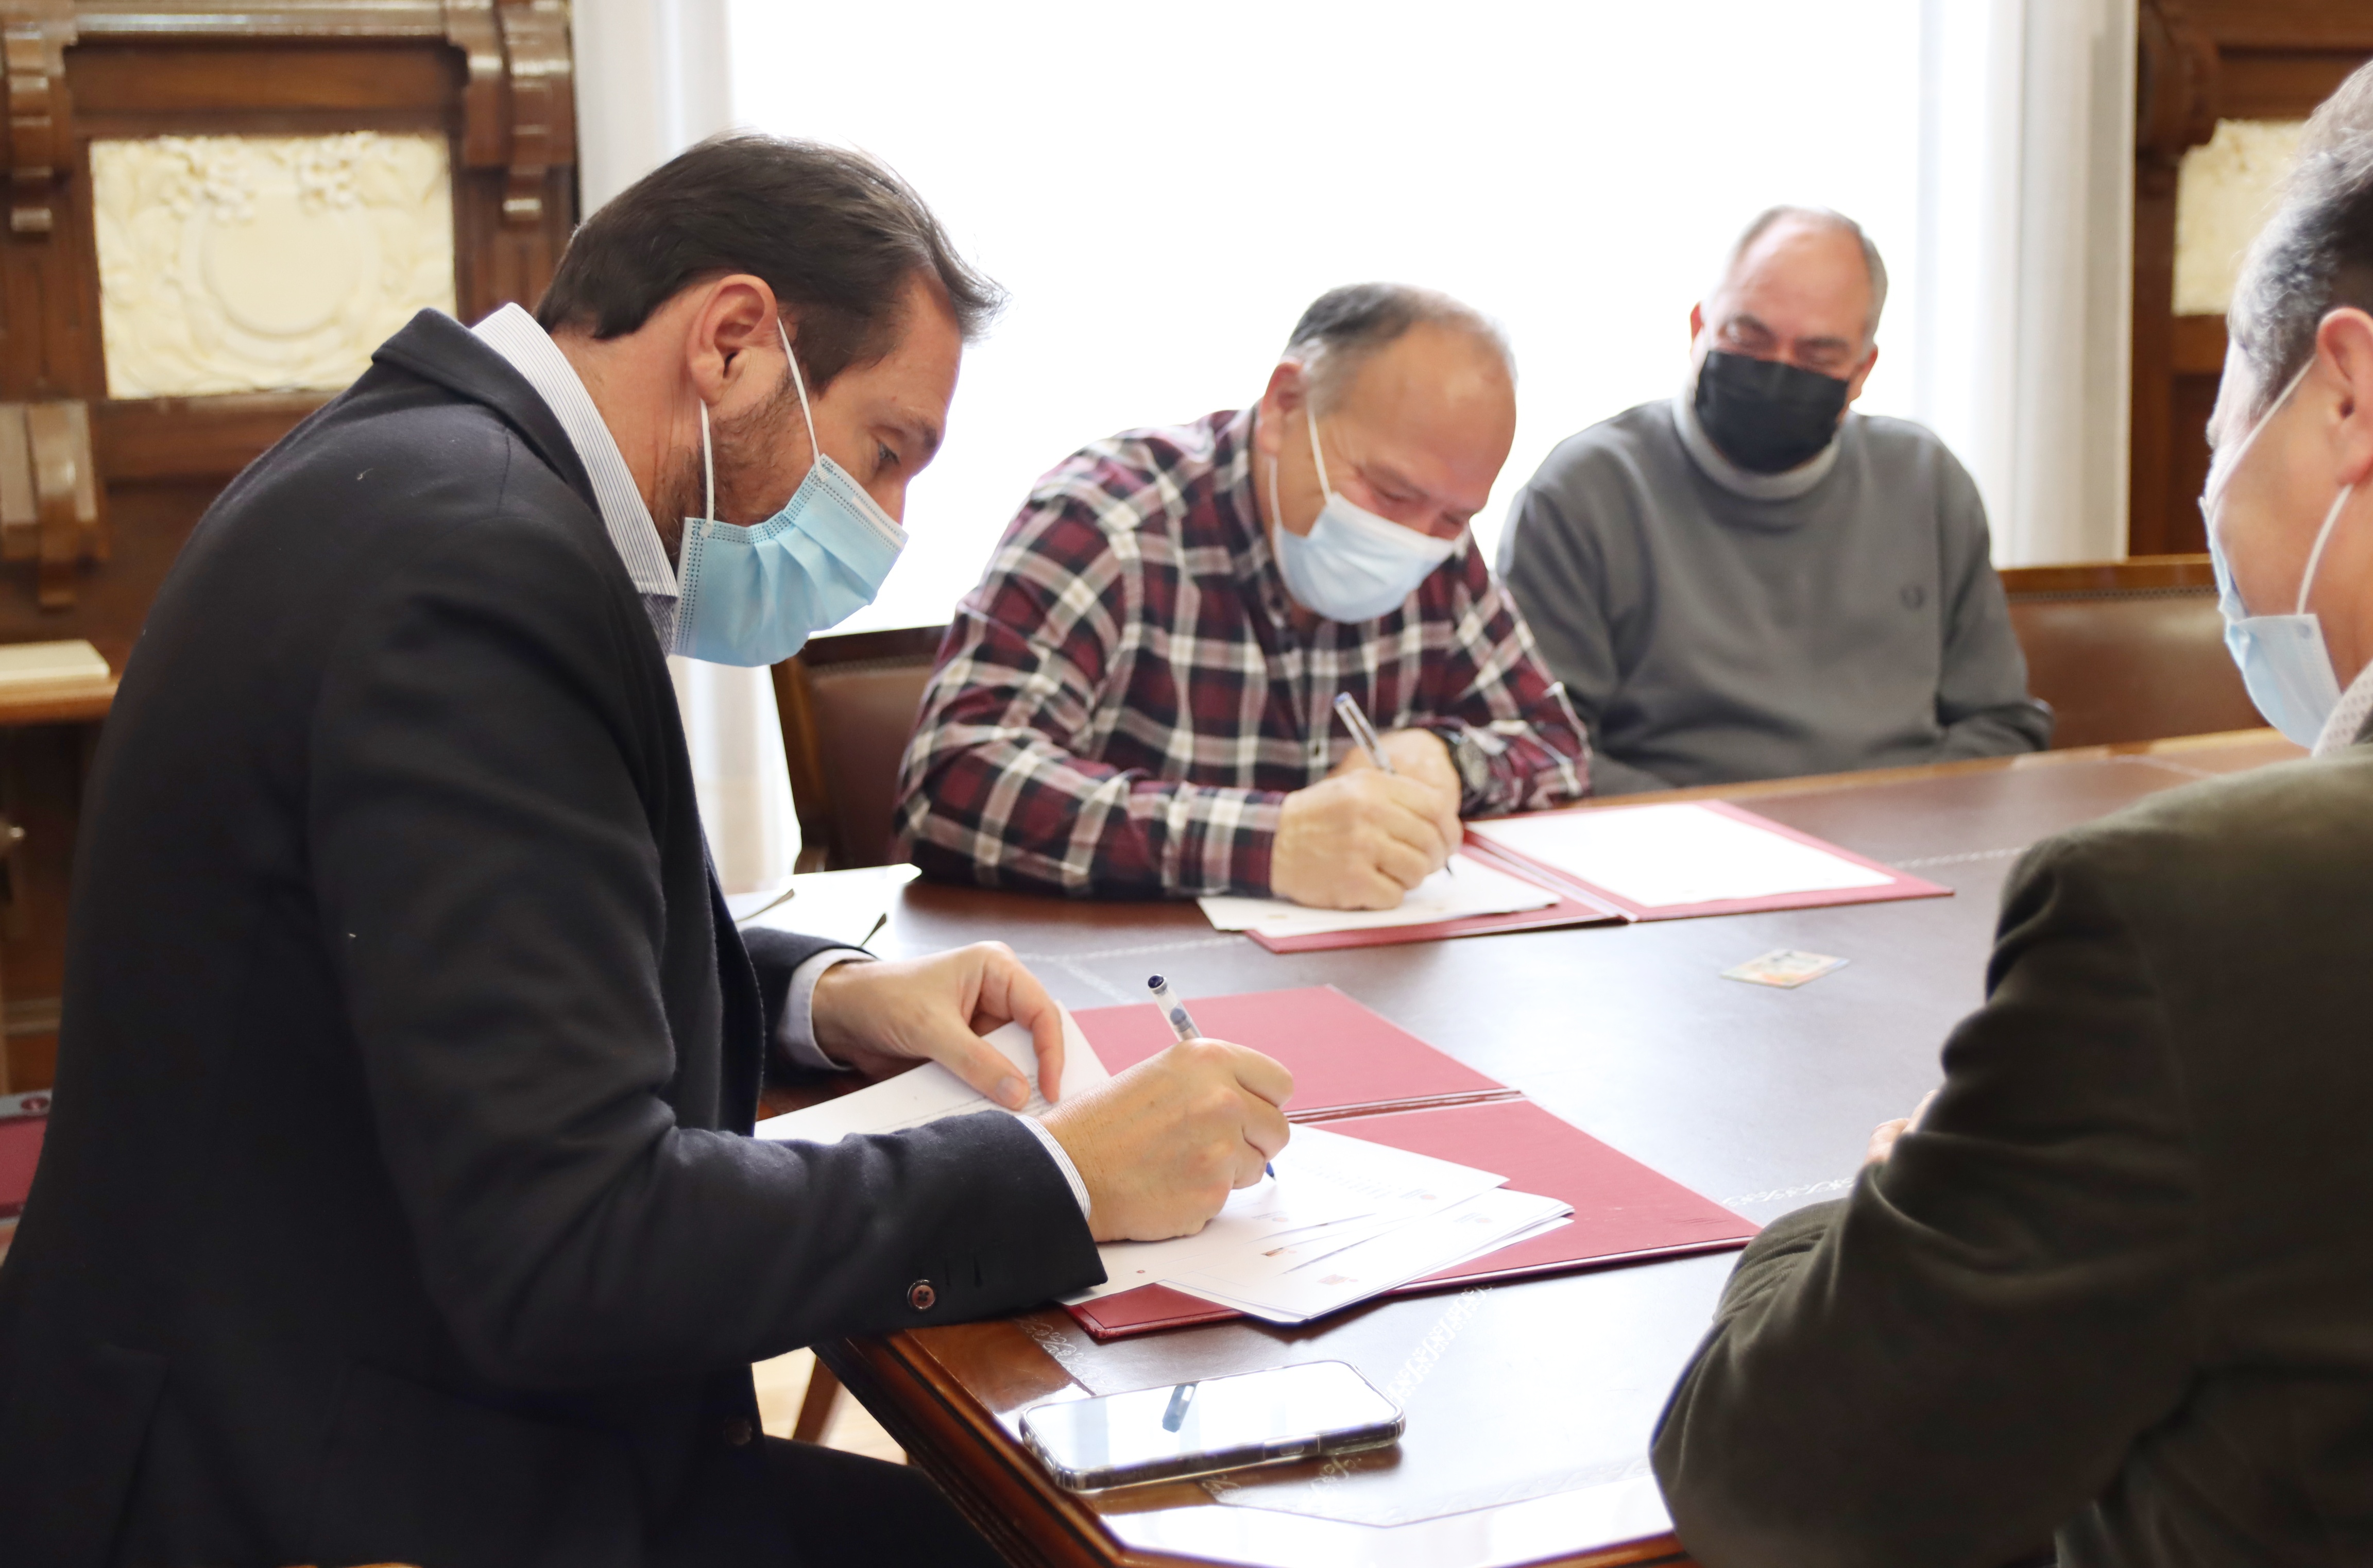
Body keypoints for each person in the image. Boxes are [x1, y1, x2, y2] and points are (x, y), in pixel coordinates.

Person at [0, 134, 1294, 1568]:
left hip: (301, 1397)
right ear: (731, 341)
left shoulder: (417, 469)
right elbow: (580, 1243)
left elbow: (462, 949)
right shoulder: (483, 564)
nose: (886, 524)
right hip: (322, 1488)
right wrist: (1058, 1170)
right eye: (884, 451)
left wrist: (817, 996)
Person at [1652, 61, 2373, 1566]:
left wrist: (1891, 1197)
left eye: (2217, 425)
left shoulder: (2201, 913)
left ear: (2344, 397)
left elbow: (1772, 1477)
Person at [895, 283, 1590, 908]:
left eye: (1454, 517)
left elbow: (1557, 747)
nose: (1413, 538)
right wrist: (1270, 841)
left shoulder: (1438, 549)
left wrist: (1444, 756)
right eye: (1388, 492)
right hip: (1137, 981)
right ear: (1285, 409)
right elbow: (953, 781)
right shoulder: (1110, 522)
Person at [1500, 207, 2050, 794]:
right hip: (1675, 830)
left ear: (1862, 369)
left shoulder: (1925, 481)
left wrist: (1904, 814)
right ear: (1698, 327)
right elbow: (1543, 748)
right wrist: (1714, 828)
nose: (1777, 371)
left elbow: (1999, 723)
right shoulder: (1587, 491)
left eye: (1817, 357)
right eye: (1748, 337)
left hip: (1900, 822)